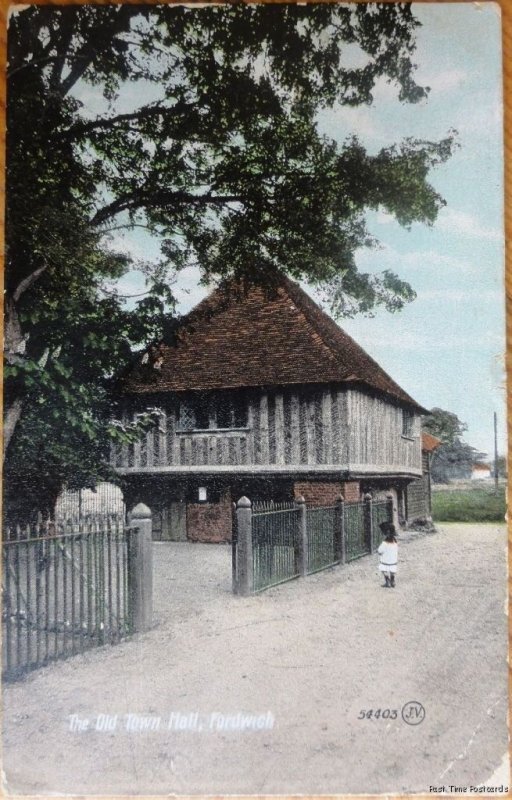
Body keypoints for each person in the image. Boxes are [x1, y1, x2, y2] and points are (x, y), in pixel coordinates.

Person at [377, 521, 398, 588]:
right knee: (392, 570)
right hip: (393, 561)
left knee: (383, 569)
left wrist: (380, 553)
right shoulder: (395, 542)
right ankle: (393, 580)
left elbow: (379, 551)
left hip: (385, 561)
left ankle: (387, 581)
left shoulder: (384, 543)